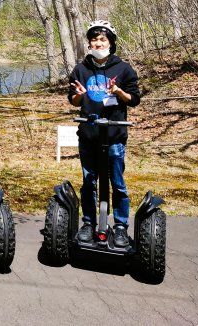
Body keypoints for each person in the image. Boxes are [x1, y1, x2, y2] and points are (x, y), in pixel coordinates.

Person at [68, 20, 141, 248]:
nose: (98, 43)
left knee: (117, 183)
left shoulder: (124, 69)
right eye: (94, 39)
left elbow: (135, 99)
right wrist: (80, 96)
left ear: (111, 42)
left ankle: (120, 226)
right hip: (89, 135)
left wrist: (119, 91)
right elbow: (73, 100)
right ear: (89, 43)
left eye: (103, 39)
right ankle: (89, 223)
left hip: (114, 136)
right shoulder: (81, 69)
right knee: (89, 182)